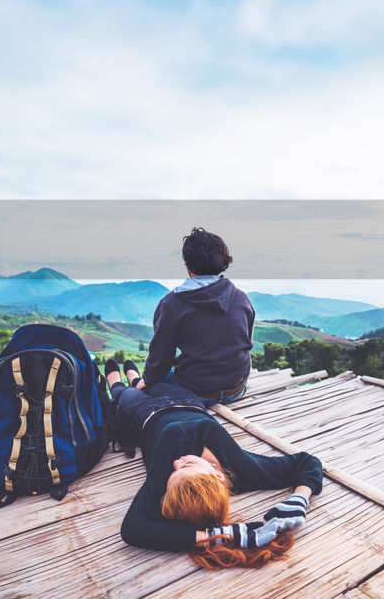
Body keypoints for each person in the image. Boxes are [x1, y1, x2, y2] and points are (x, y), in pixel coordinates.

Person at [104, 358, 321, 568]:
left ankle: (120, 383)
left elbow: (132, 528)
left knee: (125, 394)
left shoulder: (166, 475)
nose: (177, 463)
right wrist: (299, 499)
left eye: (173, 473)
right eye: (187, 467)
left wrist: (218, 537)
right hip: (187, 402)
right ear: (217, 475)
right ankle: (135, 378)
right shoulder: (244, 470)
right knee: (153, 383)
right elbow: (307, 462)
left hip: (144, 414)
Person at [144, 227, 255, 406]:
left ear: (188, 266)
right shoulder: (241, 298)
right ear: (223, 262)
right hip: (236, 388)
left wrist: (147, 381)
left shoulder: (173, 303)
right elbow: (245, 343)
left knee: (152, 385)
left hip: (196, 391)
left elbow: (160, 360)